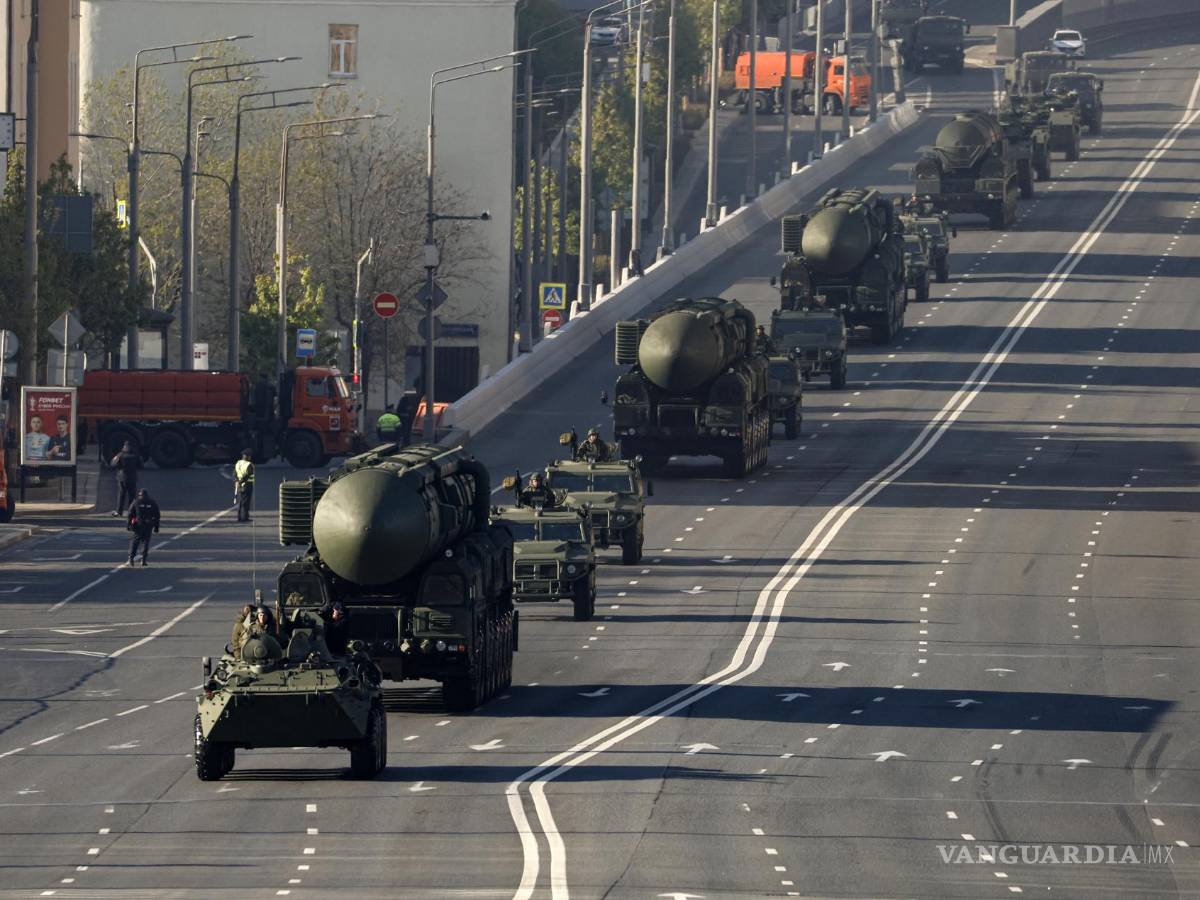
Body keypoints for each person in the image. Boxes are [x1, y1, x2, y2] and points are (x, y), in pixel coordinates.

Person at [126, 488, 160, 566]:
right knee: (145, 542)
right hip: (148, 525)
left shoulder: (136, 502)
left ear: (139, 495)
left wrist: (129, 524)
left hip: (138, 525)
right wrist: (156, 527)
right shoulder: (152, 502)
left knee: (135, 542)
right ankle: (143, 560)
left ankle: (131, 558)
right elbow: (157, 515)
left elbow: (130, 514)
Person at [110, 440, 141, 516]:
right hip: (132, 478)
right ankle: (131, 511)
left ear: (125, 447)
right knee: (132, 496)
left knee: (121, 495)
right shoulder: (135, 455)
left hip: (122, 478)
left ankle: (119, 511)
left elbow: (113, 464)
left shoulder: (120, 455)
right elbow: (140, 464)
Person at [233, 449, 255, 522]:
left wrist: (237, 481)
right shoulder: (249, 465)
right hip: (247, 485)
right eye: (249, 456)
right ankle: (245, 518)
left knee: (240, 502)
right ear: (248, 456)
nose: (250, 457)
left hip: (239, 486)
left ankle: (239, 517)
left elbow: (234, 474)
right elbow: (247, 476)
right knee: (246, 502)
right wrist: (241, 481)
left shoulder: (238, 463)